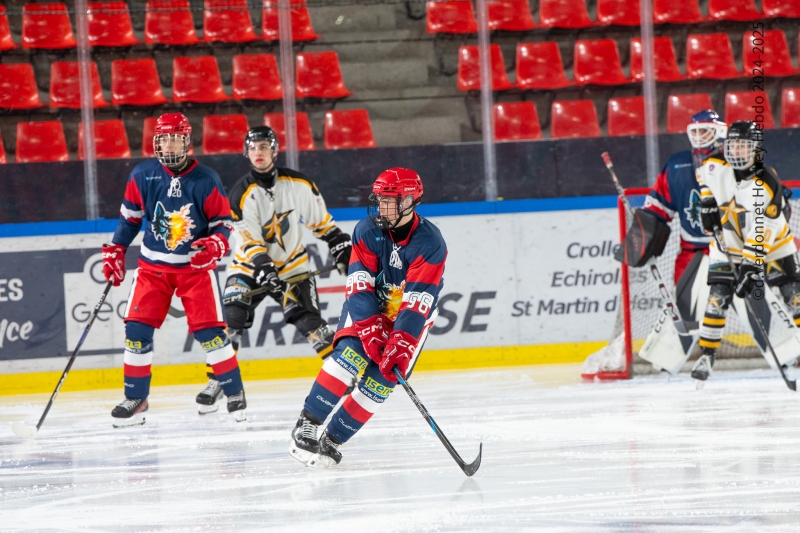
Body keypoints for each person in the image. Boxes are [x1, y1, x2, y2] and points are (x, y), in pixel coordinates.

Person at [288, 168, 447, 468]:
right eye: (380, 200)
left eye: (391, 200)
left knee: (382, 380)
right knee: (350, 354)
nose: (382, 207)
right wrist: (370, 328)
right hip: (369, 307)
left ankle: (332, 440)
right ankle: (307, 424)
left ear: (411, 201)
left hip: (410, 317)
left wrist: (401, 341)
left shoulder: (431, 243)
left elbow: (417, 304)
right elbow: (359, 286)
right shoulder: (366, 230)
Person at [195, 126, 352, 414]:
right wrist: (266, 270)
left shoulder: (299, 184)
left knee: (309, 321)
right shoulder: (241, 193)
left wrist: (340, 246)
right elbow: (249, 240)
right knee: (231, 316)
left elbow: (322, 223)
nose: (258, 152)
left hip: (292, 267)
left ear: (274, 150)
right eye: (253, 147)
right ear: (246, 152)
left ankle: (341, 374)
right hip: (248, 267)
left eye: (264, 146)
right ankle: (218, 378)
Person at [102, 112, 245, 427]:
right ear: (156, 141)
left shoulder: (206, 178)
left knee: (210, 335)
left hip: (194, 270)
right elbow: (130, 220)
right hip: (152, 269)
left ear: (187, 141)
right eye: (164, 138)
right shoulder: (142, 175)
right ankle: (136, 398)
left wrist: (214, 245)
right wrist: (115, 250)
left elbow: (223, 223)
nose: (169, 144)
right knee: (136, 333)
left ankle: (234, 392)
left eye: (176, 138)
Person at [692, 120, 800, 382]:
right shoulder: (715, 166)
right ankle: (707, 354)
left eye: (743, 146)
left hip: (773, 248)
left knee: (794, 298)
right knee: (717, 299)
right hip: (726, 246)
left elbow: (765, 229)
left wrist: (751, 266)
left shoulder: (767, 184)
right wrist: (706, 200)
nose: (737, 151)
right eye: (733, 145)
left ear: (754, 150)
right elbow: (703, 175)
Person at [642, 110, 727, 283]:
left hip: (733, 250)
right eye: (694, 132)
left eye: (703, 131)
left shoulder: (737, 163)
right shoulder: (676, 165)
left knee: (747, 305)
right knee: (686, 308)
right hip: (691, 255)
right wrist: (642, 234)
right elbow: (657, 208)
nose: (698, 136)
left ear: (720, 132)